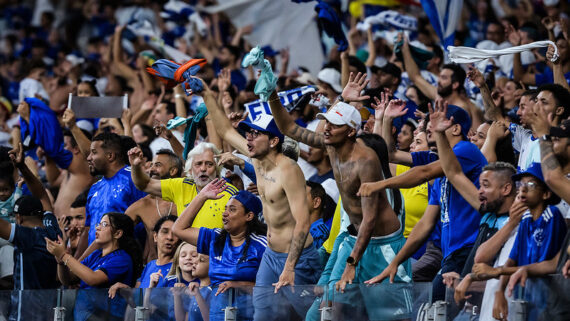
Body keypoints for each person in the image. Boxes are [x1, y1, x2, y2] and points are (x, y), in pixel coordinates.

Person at [268, 71, 408, 319]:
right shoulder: (331, 146)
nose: (327, 128)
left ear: (351, 131)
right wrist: (271, 95)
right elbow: (288, 128)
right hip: (352, 240)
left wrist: (351, 265)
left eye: (334, 124)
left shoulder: (366, 160)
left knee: (388, 317)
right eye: (327, 122)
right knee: (319, 314)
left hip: (382, 245)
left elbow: (370, 218)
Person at [199, 76, 319, 321]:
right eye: (249, 134)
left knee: (310, 317)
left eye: (256, 134)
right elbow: (224, 130)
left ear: (274, 140)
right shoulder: (257, 159)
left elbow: (303, 223)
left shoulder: (289, 170)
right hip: (271, 256)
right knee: (262, 316)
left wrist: (289, 268)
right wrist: (205, 93)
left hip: (297, 260)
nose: (249, 139)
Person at [471, 162, 567, 320]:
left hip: (551, 300)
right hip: (528, 299)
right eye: (521, 184)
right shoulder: (525, 220)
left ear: (546, 194)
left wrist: (498, 271)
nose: (523, 188)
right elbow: (512, 261)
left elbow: (551, 265)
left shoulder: (552, 215)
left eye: (531, 184)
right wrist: (500, 292)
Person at [172, 180, 267, 321]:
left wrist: (238, 285)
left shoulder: (262, 245)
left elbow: (271, 289)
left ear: (249, 216)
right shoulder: (215, 238)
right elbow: (178, 229)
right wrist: (202, 196)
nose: (225, 214)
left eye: (232, 209)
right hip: (216, 314)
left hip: (248, 316)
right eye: (225, 208)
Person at [0, 144, 61, 321]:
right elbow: (43, 196)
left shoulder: (26, 237)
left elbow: (41, 196)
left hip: (25, 314)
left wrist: (21, 167)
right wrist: (22, 168)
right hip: (50, 311)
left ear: (18, 218)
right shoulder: (52, 228)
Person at [46, 212, 143, 321]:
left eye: (105, 225)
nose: (98, 228)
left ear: (118, 233)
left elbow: (93, 279)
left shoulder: (122, 259)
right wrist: (60, 262)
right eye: (99, 224)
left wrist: (64, 255)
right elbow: (68, 279)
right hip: (84, 315)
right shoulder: (96, 254)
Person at [128, 142, 239, 230]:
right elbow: (145, 184)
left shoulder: (230, 193)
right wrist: (135, 166)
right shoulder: (181, 185)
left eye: (209, 164)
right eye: (198, 164)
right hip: (186, 256)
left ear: (217, 168)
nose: (203, 169)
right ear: (190, 169)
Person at [80, 133, 146, 248]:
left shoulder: (133, 178)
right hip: (95, 258)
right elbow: (88, 229)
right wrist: (77, 260)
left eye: (94, 152)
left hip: (124, 256)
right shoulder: (95, 187)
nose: (88, 157)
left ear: (110, 156)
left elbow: (148, 220)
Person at [126, 149, 182, 262]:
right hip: (153, 271)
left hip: (185, 269)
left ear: (173, 171)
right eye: (151, 165)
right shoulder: (142, 205)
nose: (151, 169)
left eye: (157, 165)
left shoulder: (188, 199)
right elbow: (115, 231)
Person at [107, 215, 179, 299]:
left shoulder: (178, 268)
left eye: (175, 234)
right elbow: (138, 298)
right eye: (165, 232)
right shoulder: (150, 265)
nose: (170, 237)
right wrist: (124, 288)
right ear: (155, 236)